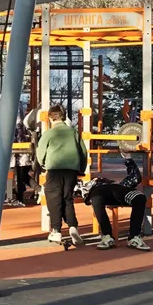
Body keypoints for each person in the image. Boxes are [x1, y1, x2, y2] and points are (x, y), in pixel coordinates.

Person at [35, 103, 87, 249]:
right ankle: (73, 227)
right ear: (63, 116)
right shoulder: (73, 132)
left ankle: (56, 230)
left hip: (55, 168)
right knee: (67, 198)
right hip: (71, 169)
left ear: (51, 118)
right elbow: (83, 151)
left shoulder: (49, 133)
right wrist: (81, 168)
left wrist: (44, 164)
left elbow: (40, 152)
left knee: (54, 198)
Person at [78, 156, 151, 251]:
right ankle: (107, 236)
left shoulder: (122, 184)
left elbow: (136, 177)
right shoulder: (90, 186)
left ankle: (134, 237)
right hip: (97, 192)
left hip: (120, 190)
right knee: (96, 199)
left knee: (140, 198)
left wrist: (128, 159)